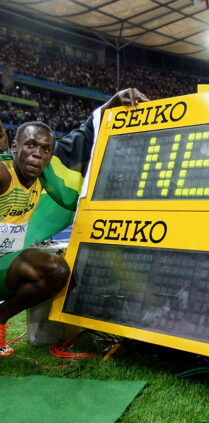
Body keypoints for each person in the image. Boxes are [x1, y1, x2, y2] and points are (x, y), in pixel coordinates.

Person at [0, 88, 148, 356]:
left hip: (5, 262)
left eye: (45, 149)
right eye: (30, 145)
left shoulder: (48, 174)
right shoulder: (4, 174)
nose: (37, 154)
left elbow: (81, 137)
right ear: (14, 147)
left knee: (57, 271)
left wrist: (113, 102)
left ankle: (0, 316)